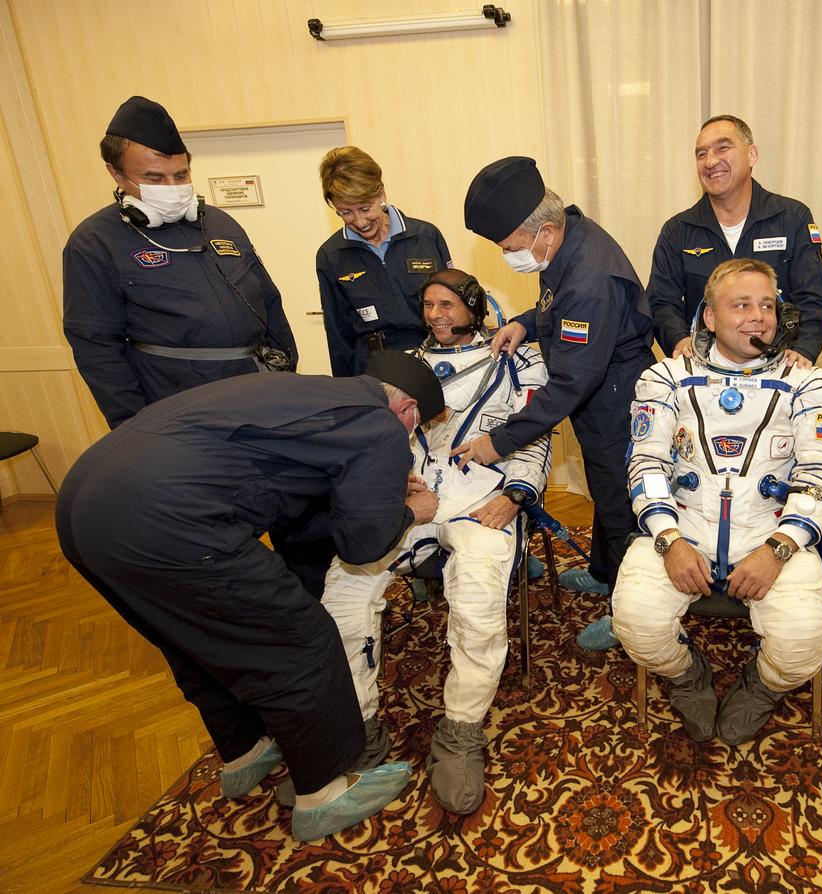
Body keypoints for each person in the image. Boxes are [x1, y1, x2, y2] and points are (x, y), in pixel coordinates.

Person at [55, 353, 445, 841]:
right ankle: (323, 794)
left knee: (194, 640)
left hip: (84, 506)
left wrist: (377, 492)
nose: (412, 435)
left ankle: (246, 751)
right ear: (405, 406)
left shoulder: (312, 393)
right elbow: (363, 544)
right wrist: (410, 511)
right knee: (301, 640)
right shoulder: (379, 426)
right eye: (417, 425)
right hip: (167, 520)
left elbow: (293, 499)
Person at [319, 268, 550, 814]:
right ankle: (359, 724)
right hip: (415, 495)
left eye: (448, 304)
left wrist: (517, 495)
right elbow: (380, 433)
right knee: (344, 591)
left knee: (476, 600)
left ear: (475, 305)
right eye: (428, 305)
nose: (437, 315)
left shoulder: (518, 361)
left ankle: (462, 728)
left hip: (483, 500)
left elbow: (538, 432)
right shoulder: (405, 366)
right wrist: (390, 483)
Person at [612, 259, 822, 744]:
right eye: (741, 305)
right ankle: (685, 674)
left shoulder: (810, 383)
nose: (758, 316)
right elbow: (646, 467)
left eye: (767, 305)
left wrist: (779, 547)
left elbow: (821, 474)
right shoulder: (665, 378)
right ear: (710, 318)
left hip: (773, 531)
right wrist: (668, 539)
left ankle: (763, 685)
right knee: (634, 620)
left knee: (802, 641)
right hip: (683, 527)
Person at [454, 157, 653, 642]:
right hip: (599, 389)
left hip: (614, 400)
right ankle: (605, 571)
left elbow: (568, 385)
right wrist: (524, 320)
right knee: (606, 493)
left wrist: (497, 443)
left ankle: (631, 610)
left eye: (509, 248)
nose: (507, 256)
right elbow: (553, 301)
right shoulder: (570, 235)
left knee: (623, 503)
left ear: (543, 230)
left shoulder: (589, 279)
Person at [63, 95, 297, 430]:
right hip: (178, 407)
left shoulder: (219, 223)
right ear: (116, 174)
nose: (172, 188)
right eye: (155, 178)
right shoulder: (94, 243)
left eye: (181, 174)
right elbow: (96, 346)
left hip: (259, 393)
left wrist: (287, 370)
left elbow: (269, 301)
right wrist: (134, 425)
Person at [647, 115, 822, 367]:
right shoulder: (678, 231)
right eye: (701, 154)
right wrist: (678, 341)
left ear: (752, 154)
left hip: (779, 367)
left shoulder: (791, 218)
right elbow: (661, 301)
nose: (711, 161)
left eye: (723, 148)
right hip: (704, 371)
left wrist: (804, 349)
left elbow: (814, 294)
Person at [316, 146, 453, 376]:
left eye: (364, 208)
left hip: (433, 360)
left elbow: (453, 304)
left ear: (381, 193)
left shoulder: (425, 236)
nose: (360, 222)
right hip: (374, 369)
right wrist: (348, 392)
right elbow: (338, 335)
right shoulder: (331, 255)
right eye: (346, 212)